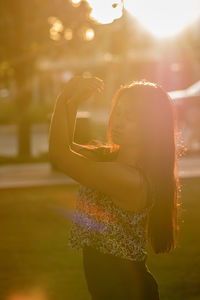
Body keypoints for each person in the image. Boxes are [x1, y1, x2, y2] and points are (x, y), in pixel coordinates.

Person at [49, 76, 181, 299]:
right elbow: (67, 145)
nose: (118, 121)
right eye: (117, 112)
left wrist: (62, 98)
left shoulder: (129, 179)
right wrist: (72, 104)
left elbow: (60, 156)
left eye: (129, 117)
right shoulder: (110, 158)